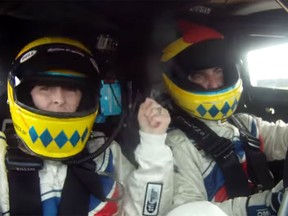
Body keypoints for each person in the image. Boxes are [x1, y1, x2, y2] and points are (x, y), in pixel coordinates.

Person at [0, 36, 174, 216]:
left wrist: (153, 141)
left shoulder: (105, 153)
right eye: (45, 87)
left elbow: (145, 212)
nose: (59, 99)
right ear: (25, 95)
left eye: (71, 89)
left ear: (85, 98)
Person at [160, 20, 287, 216]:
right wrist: (264, 204)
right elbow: (189, 211)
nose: (214, 84)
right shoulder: (177, 144)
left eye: (218, 72)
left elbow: (281, 137)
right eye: (200, 76)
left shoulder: (243, 123)